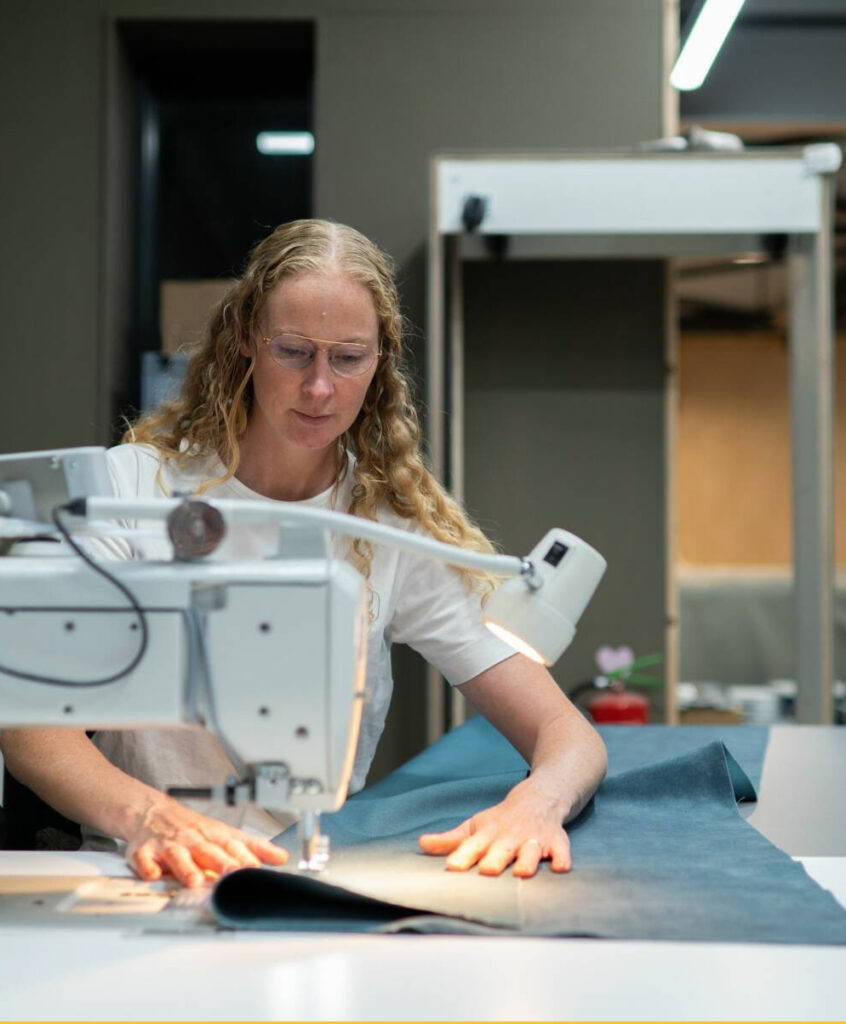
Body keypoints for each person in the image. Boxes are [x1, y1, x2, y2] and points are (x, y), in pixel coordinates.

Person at [1, 219, 607, 887]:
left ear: (379, 364)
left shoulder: (389, 532)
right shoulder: (132, 492)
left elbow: (568, 736)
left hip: (304, 871)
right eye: (293, 352)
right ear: (245, 345)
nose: (320, 388)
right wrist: (146, 816)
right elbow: (30, 728)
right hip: (140, 864)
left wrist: (536, 804)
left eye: (348, 358)